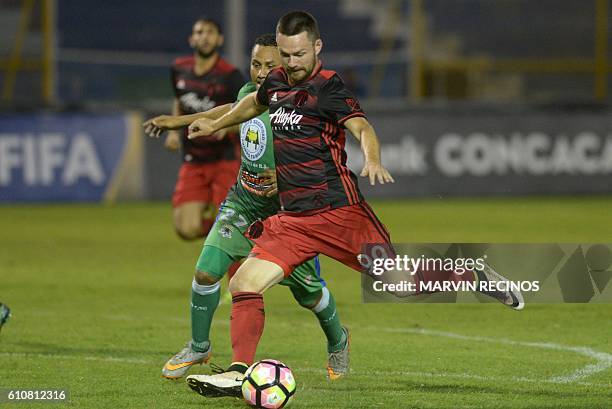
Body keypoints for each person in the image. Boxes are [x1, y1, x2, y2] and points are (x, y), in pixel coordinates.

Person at [183, 11, 523, 398]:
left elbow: (362, 127)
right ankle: (239, 370)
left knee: (401, 285)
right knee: (245, 282)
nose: (291, 63)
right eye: (286, 54)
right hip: (293, 219)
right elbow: (253, 105)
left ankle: (473, 274)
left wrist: (372, 158)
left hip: (339, 214)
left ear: (316, 47)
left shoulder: (330, 88)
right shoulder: (276, 81)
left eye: (298, 54)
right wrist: (215, 123)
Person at [144, 34, 350, 385]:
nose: (261, 71)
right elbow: (228, 111)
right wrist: (176, 121)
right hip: (243, 202)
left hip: (288, 216)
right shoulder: (248, 95)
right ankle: (199, 346)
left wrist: (286, 176)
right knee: (207, 272)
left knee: (309, 293)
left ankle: (338, 338)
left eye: (271, 65)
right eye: (256, 63)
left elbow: (328, 164)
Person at [166, 16, 244, 240]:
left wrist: (225, 127)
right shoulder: (179, 69)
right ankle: (236, 234)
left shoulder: (230, 76)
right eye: (200, 32)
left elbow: (250, 114)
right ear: (192, 39)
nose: (205, 37)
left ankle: (233, 238)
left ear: (219, 39)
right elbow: (179, 100)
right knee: (185, 229)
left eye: (210, 32)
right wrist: (173, 131)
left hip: (225, 159)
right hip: (194, 159)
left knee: (228, 225)